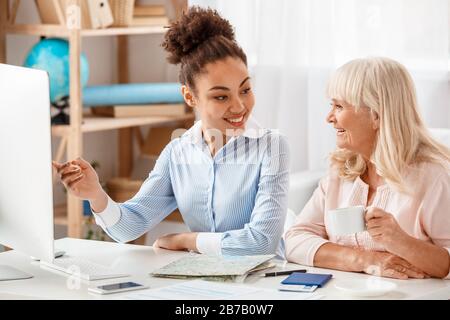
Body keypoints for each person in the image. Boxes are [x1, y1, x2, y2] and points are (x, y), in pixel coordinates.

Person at [53, 7, 290, 256]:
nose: (239, 106)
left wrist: (187, 241)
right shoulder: (178, 153)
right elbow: (129, 227)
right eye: (221, 96)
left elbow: (262, 242)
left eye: (245, 89)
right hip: (206, 281)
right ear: (190, 96)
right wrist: (96, 195)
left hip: (263, 283)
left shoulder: (271, 147)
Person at [285, 57, 450, 279]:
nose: (329, 117)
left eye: (339, 106)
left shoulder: (433, 177)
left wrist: (400, 241)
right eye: (331, 105)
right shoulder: (341, 171)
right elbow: (294, 239)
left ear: (376, 115)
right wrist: (364, 260)